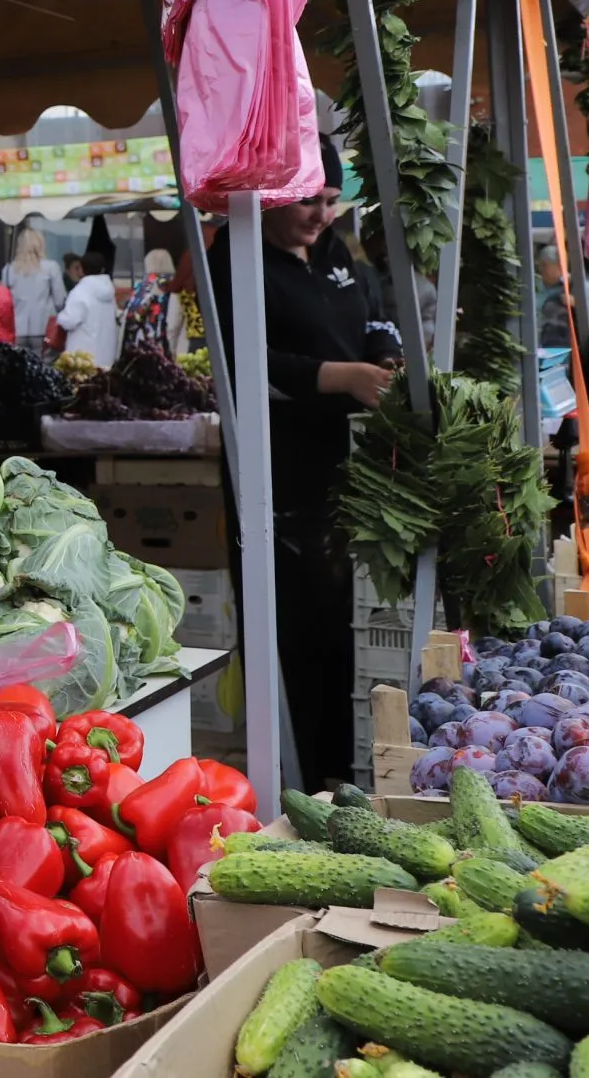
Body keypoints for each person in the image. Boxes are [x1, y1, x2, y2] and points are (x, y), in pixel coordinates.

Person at [206, 137, 401, 788]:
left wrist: (382, 357)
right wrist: (338, 376)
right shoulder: (236, 257)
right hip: (277, 484)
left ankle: (347, 767)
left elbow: (377, 316)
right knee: (301, 637)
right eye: (307, 203)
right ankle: (305, 779)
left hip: (345, 475)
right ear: (270, 199)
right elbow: (244, 366)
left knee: (344, 633)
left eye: (329, 201)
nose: (320, 215)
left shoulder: (335, 251)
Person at [4, 225, 66, 350]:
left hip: (17, 329)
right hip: (43, 327)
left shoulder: (9, 269)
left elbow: (4, 302)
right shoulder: (51, 267)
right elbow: (60, 301)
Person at [53, 251, 121, 364]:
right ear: (103, 269)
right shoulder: (109, 293)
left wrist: (60, 317)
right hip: (106, 356)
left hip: (83, 358)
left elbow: (69, 321)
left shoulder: (80, 292)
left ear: (82, 270)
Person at [121, 248, 180, 359]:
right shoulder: (172, 286)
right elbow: (173, 324)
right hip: (159, 344)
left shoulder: (139, 286)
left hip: (137, 344)